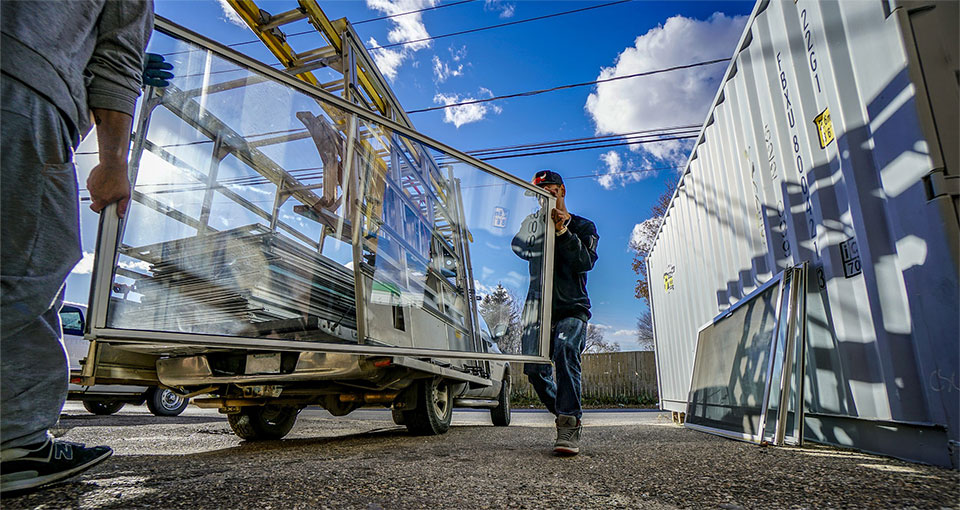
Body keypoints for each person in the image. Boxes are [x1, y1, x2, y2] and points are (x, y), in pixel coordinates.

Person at [1, 1, 156, 494]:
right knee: (27, 271)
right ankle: (15, 444)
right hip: (24, 86)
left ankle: (15, 442)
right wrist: (113, 160)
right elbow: (116, 59)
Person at [512, 170, 598, 455]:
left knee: (564, 348)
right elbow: (518, 247)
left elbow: (584, 262)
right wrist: (540, 227)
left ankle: (568, 423)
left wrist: (562, 230)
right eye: (538, 193)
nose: (543, 197)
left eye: (548, 190)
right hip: (537, 308)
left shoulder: (584, 226)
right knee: (535, 370)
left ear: (561, 190)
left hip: (572, 307)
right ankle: (563, 411)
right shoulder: (533, 223)